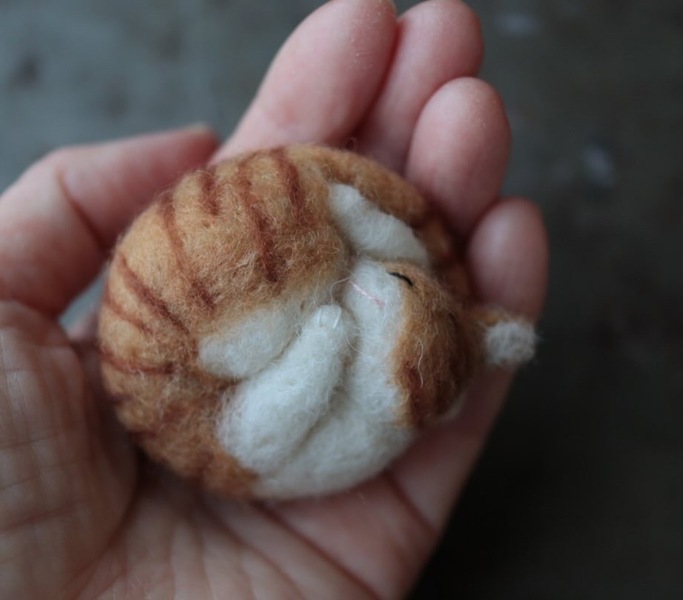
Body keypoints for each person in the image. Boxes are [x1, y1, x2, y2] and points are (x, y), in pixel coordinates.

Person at [0, 0, 548, 596]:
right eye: (404, 285)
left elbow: (262, 433)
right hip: (236, 285)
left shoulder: (360, 385)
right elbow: (370, 237)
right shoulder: (366, 293)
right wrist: (349, 228)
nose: (376, 291)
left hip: (236, 363)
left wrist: (319, 351)